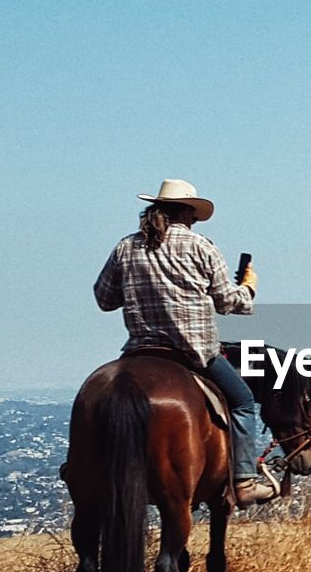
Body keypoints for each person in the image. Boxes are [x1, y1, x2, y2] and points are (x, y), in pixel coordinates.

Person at [93, 178, 277, 508]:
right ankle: (245, 480)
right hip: (194, 353)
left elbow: (104, 299)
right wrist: (249, 287)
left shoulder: (126, 247)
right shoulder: (202, 246)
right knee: (243, 401)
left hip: (140, 349)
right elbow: (227, 301)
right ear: (189, 214)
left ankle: (82, 467)